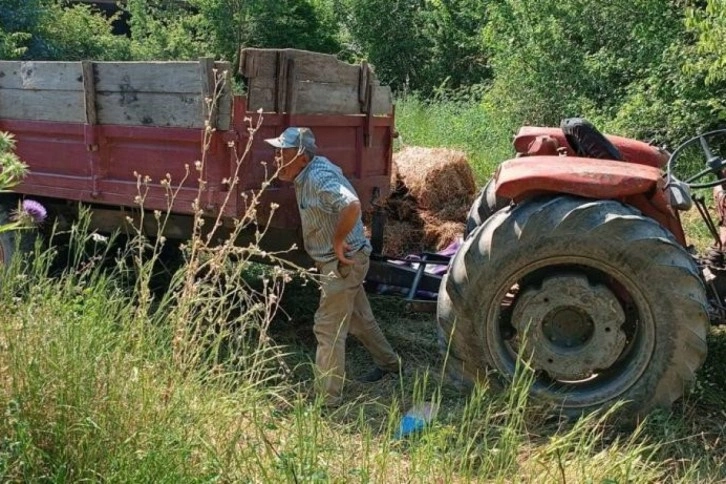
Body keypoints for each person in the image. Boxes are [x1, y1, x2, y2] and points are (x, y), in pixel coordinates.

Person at [265, 127, 401, 407]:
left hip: (341, 263)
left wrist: (338, 240)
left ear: (301, 157)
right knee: (359, 320)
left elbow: (351, 204)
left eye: (283, 153)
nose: (277, 158)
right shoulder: (309, 171)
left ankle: (326, 400)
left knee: (327, 329)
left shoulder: (317, 177)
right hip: (349, 261)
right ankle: (391, 365)